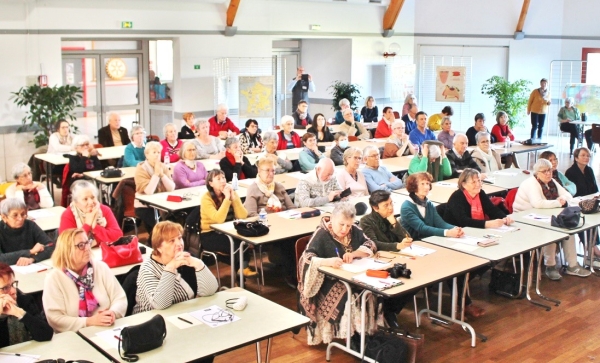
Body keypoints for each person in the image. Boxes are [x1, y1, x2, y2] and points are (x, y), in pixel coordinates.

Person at [298, 202, 396, 344]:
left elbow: (370, 244)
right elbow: (306, 259)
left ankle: (363, 333)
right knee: (347, 291)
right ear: (332, 219)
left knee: (372, 287)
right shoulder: (321, 234)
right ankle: (349, 335)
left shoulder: (354, 230)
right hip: (327, 281)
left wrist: (355, 253)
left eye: (348, 225)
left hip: (352, 274)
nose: (345, 229)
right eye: (341, 224)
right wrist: (327, 261)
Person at [513, 159, 590, 280]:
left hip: (544, 214)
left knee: (568, 228)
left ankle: (573, 265)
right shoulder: (531, 183)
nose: (548, 173)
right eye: (544, 171)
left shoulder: (552, 181)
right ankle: (550, 266)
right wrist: (558, 203)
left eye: (550, 170)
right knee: (552, 229)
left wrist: (562, 199)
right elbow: (538, 203)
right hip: (523, 218)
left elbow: (568, 194)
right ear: (537, 173)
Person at [42, 228, 127, 333]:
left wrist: (112, 313)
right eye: (81, 245)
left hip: (107, 329)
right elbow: (55, 319)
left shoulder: (100, 267)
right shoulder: (54, 278)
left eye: (87, 243)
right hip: (73, 336)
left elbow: (120, 298)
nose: (87, 248)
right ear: (67, 250)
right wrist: (89, 322)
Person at [133, 221, 218, 314]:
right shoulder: (148, 269)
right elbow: (160, 304)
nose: (179, 244)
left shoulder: (186, 259)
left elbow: (211, 290)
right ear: (158, 247)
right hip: (151, 321)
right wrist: (170, 268)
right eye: (172, 241)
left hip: (183, 315)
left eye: (179, 238)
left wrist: (198, 263)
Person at [243, 158, 297, 286]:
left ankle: (299, 273)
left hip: (285, 223)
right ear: (259, 171)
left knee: (299, 239)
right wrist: (270, 221)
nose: (270, 174)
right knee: (287, 243)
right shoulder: (253, 189)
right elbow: (251, 214)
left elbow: (291, 208)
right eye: (267, 171)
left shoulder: (279, 187)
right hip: (267, 226)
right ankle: (290, 274)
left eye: (273, 170)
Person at [200, 170, 255, 277]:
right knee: (235, 243)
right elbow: (218, 219)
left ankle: (241, 270)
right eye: (218, 179)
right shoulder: (206, 198)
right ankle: (241, 270)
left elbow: (243, 215)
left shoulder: (231, 193)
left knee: (244, 239)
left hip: (228, 230)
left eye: (224, 178)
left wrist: (234, 198)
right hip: (209, 234)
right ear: (211, 183)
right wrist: (226, 199)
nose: (223, 181)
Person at [0, 262, 53, 348]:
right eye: (5, 288)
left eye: (13, 284)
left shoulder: (23, 300)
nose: (13, 291)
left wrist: (20, 313)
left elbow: (47, 334)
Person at [400, 172, 464, 240]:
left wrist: (455, 228)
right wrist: (448, 232)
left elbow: (440, 223)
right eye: (422, 184)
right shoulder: (407, 207)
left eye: (427, 183)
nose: (426, 187)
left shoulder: (428, 204)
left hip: (429, 239)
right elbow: (422, 228)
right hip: (414, 242)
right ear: (414, 186)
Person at [444, 168, 513, 228]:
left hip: (474, 230)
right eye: (473, 182)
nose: (478, 184)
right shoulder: (457, 197)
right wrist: (486, 224)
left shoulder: (480, 193)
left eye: (479, 180)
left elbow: (492, 210)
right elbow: (463, 221)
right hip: (456, 231)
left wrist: (504, 217)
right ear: (463, 184)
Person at [59, 180, 122, 245]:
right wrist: (87, 224)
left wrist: (95, 227)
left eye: (92, 197)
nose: (91, 202)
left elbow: (118, 236)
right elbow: (67, 244)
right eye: (85, 199)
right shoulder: (68, 215)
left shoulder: (105, 210)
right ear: (76, 202)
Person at [134, 141, 175, 239]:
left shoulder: (163, 166)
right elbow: (149, 191)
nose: (157, 155)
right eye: (154, 152)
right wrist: (156, 175)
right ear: (147, 154)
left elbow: (171, 188)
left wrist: (162, 175)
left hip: (162, 203)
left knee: (176, 219)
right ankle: (155, 244)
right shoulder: (141, 168)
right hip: (144, 205)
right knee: (159, 228)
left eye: (158, 152)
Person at [0, 198, 54, 266]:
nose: (20, 218)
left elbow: (51, 246)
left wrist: (32, 259)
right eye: (15, 215)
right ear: (4, 217)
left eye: (23, 214)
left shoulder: (30, 225)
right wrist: (30, 252)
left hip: (30, 267)